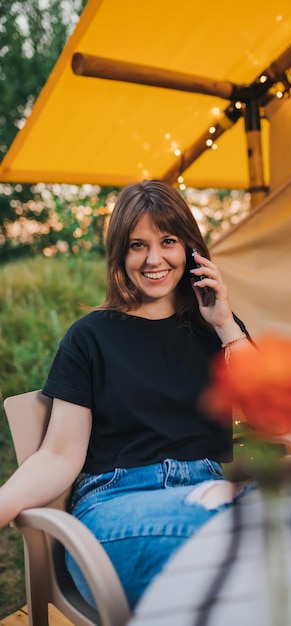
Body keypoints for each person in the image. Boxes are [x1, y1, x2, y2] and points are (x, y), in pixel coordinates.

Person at [0, 179, 253, 610]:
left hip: (206, 492)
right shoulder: (89, 339)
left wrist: (227, 326)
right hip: (116, 507)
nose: (154, 259)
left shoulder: (216, 329)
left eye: (168, 241)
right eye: (138, 245)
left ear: (192, 250)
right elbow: (60, 455)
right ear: (121, 254)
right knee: (249, 544)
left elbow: (274, 418)